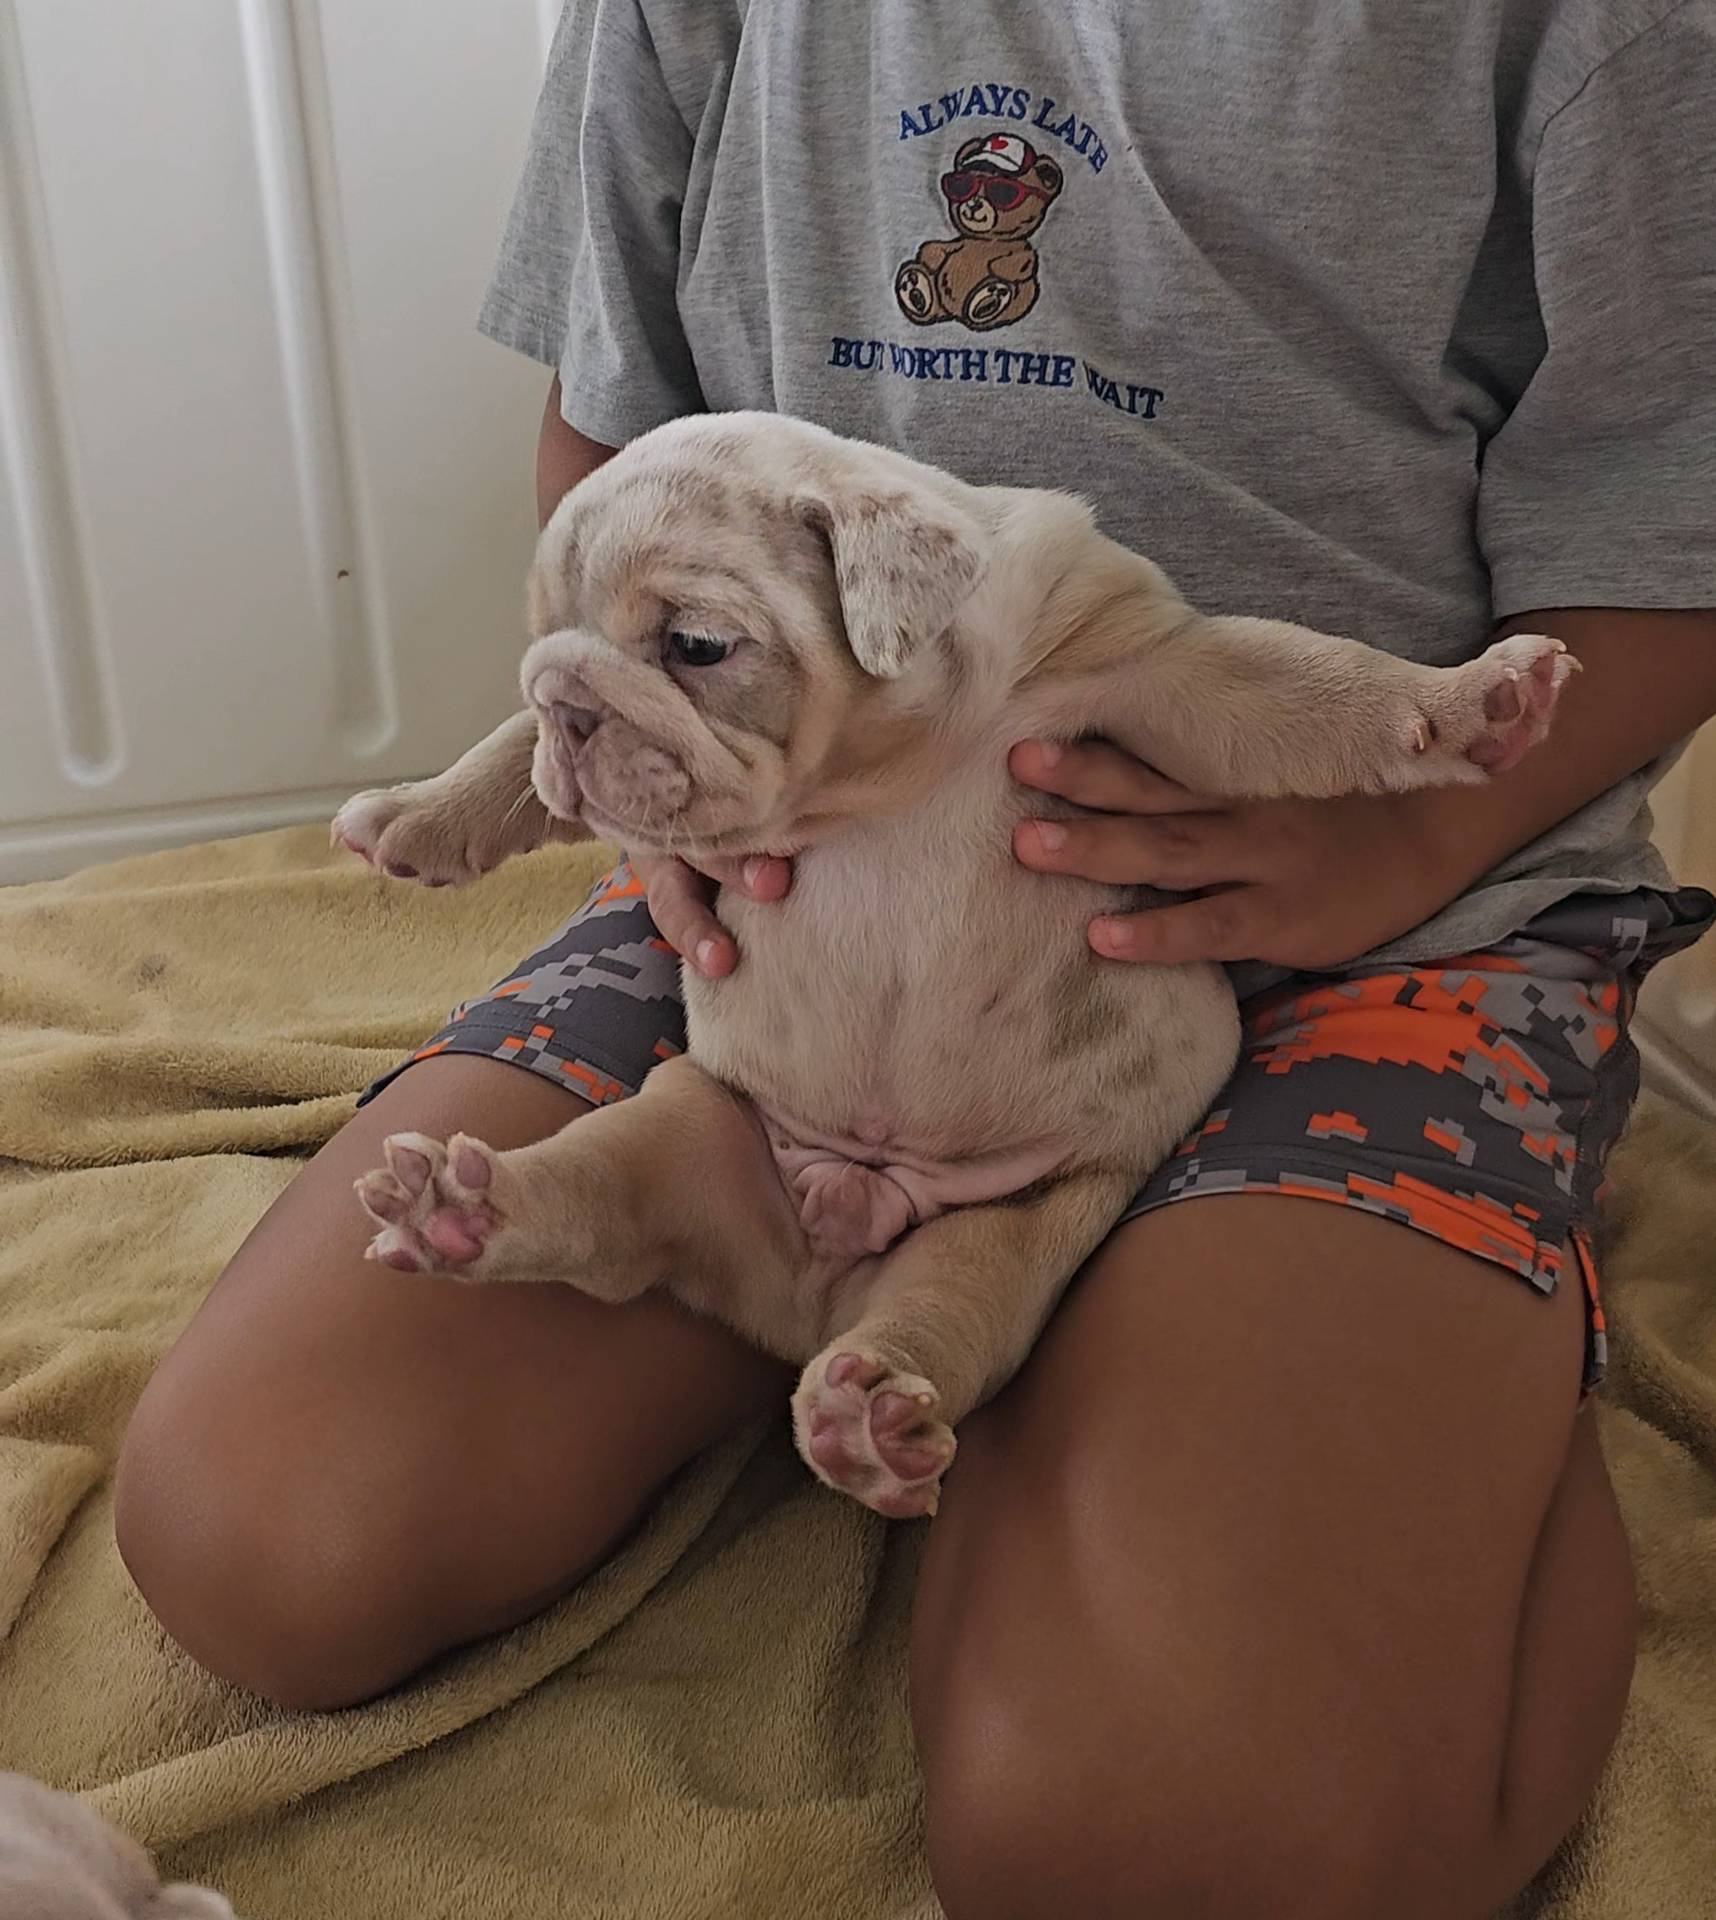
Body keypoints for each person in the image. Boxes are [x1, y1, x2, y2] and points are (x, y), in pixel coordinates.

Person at [114, 4, 1716, 1914]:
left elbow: (1672, 525)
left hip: (1394, 919)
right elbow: (619, 439)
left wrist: (1406, 836)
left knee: (1160, 1848)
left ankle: (1339, 1362)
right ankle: (982, 1324)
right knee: (264, 1539)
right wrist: (665, 813)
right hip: (801, 879)